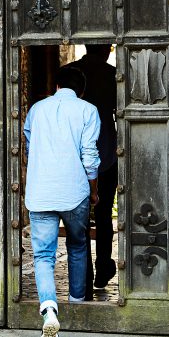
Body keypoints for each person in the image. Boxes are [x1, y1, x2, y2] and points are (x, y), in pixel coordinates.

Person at [24, 66, 100, 337]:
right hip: (74, 192)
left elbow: (31, 147)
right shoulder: (88, 110)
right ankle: (76, 305)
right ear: (81, 90)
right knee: (78, 245)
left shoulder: (36, 110)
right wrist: (93, 190)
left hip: (40, 192)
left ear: (55, 85)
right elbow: (89, 156)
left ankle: (49, 311)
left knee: (43, 255)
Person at [67, 45, 118, 292]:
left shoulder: (68, 72)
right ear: (107, 50)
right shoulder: (113, 75)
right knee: (104, 215)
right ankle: (103, 269)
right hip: (106, 153)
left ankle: (83, 278)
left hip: (73, 158)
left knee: (78, 219)